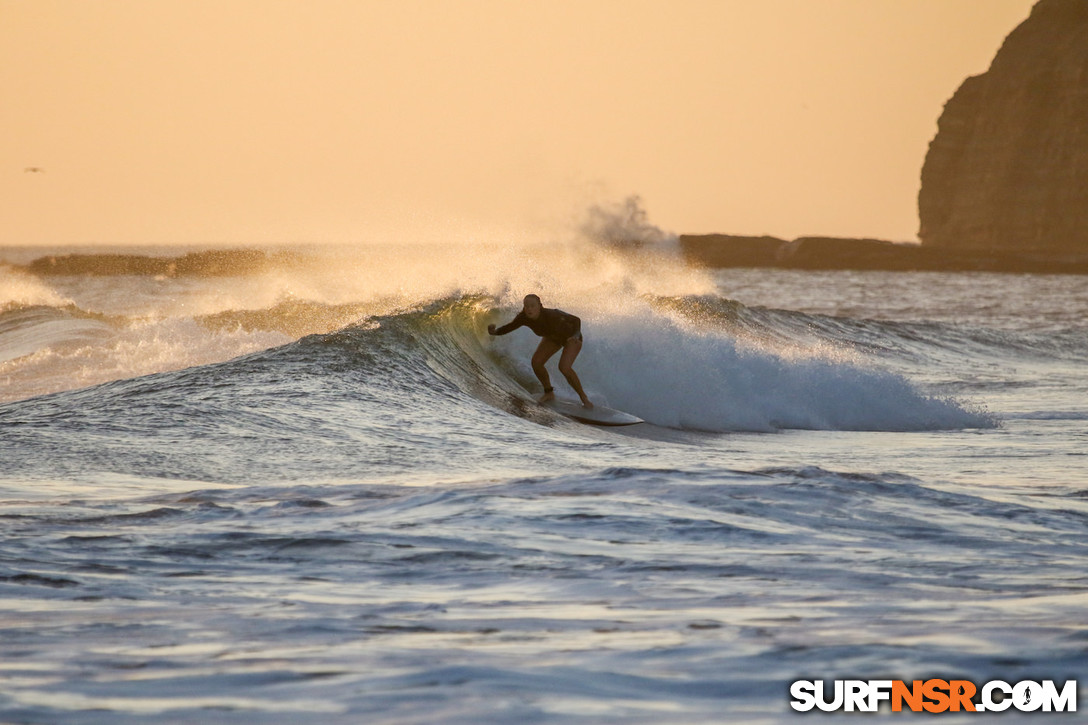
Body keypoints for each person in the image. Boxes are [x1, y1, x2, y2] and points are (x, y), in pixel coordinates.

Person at [488, 294, 593, 408]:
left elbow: (576, 319)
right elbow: (510, 327)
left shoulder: (552, 314)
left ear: (540, 306)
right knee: (536, 362)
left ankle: (584, 399)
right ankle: (549, 393)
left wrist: (576, 335)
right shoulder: (523, 317)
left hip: (572, 338)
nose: (529, 309)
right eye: (526, 306)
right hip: (552, 338)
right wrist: (495, 332)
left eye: (532, 306)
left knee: (564, 368)